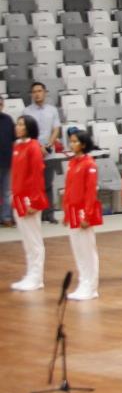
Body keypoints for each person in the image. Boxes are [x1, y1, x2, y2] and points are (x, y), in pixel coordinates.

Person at [63, 130, 102, 301]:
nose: (72, 144)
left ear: (84, 144)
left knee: (87, 250)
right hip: (72, 211)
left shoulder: (89, 164)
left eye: (75, 141)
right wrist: (66, 212)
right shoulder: (72, 163)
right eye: (70, 141)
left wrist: (87, 215)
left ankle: (91, 287)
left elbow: (90, 192)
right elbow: (69, 188)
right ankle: (83, 282)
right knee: (78, 250)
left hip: (83, 211)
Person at [9, 115, 47, 291]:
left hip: (29, 199)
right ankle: (31, 273)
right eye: (17, 124)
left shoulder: (33, 147)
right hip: (18, 197)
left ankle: (37, 277)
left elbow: (36, 176)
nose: (17, 127)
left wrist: (35, 201)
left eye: (21, 124)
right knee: (26, 241)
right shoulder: (17, 146)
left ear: (29, 128)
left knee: (34, 241)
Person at [25, 82, 61, 223]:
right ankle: (37, 214)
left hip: (49, 153)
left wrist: (48, 145)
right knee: (35, 185)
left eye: (39, 91)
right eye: (34, 92)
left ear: (45, 92)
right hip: (33, 153)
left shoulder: (52, 110)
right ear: (31, 94)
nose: (37, 94)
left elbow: (56, 129)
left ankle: (49, 214)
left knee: (48, 184)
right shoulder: (26, 112)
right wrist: (38, 147)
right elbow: (27, 132)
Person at [0, 98, 12, 228]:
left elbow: (14, 139)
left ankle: (6, 217)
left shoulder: (8, 120)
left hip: (7, 162)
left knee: (6, 192)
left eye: (0, 104)